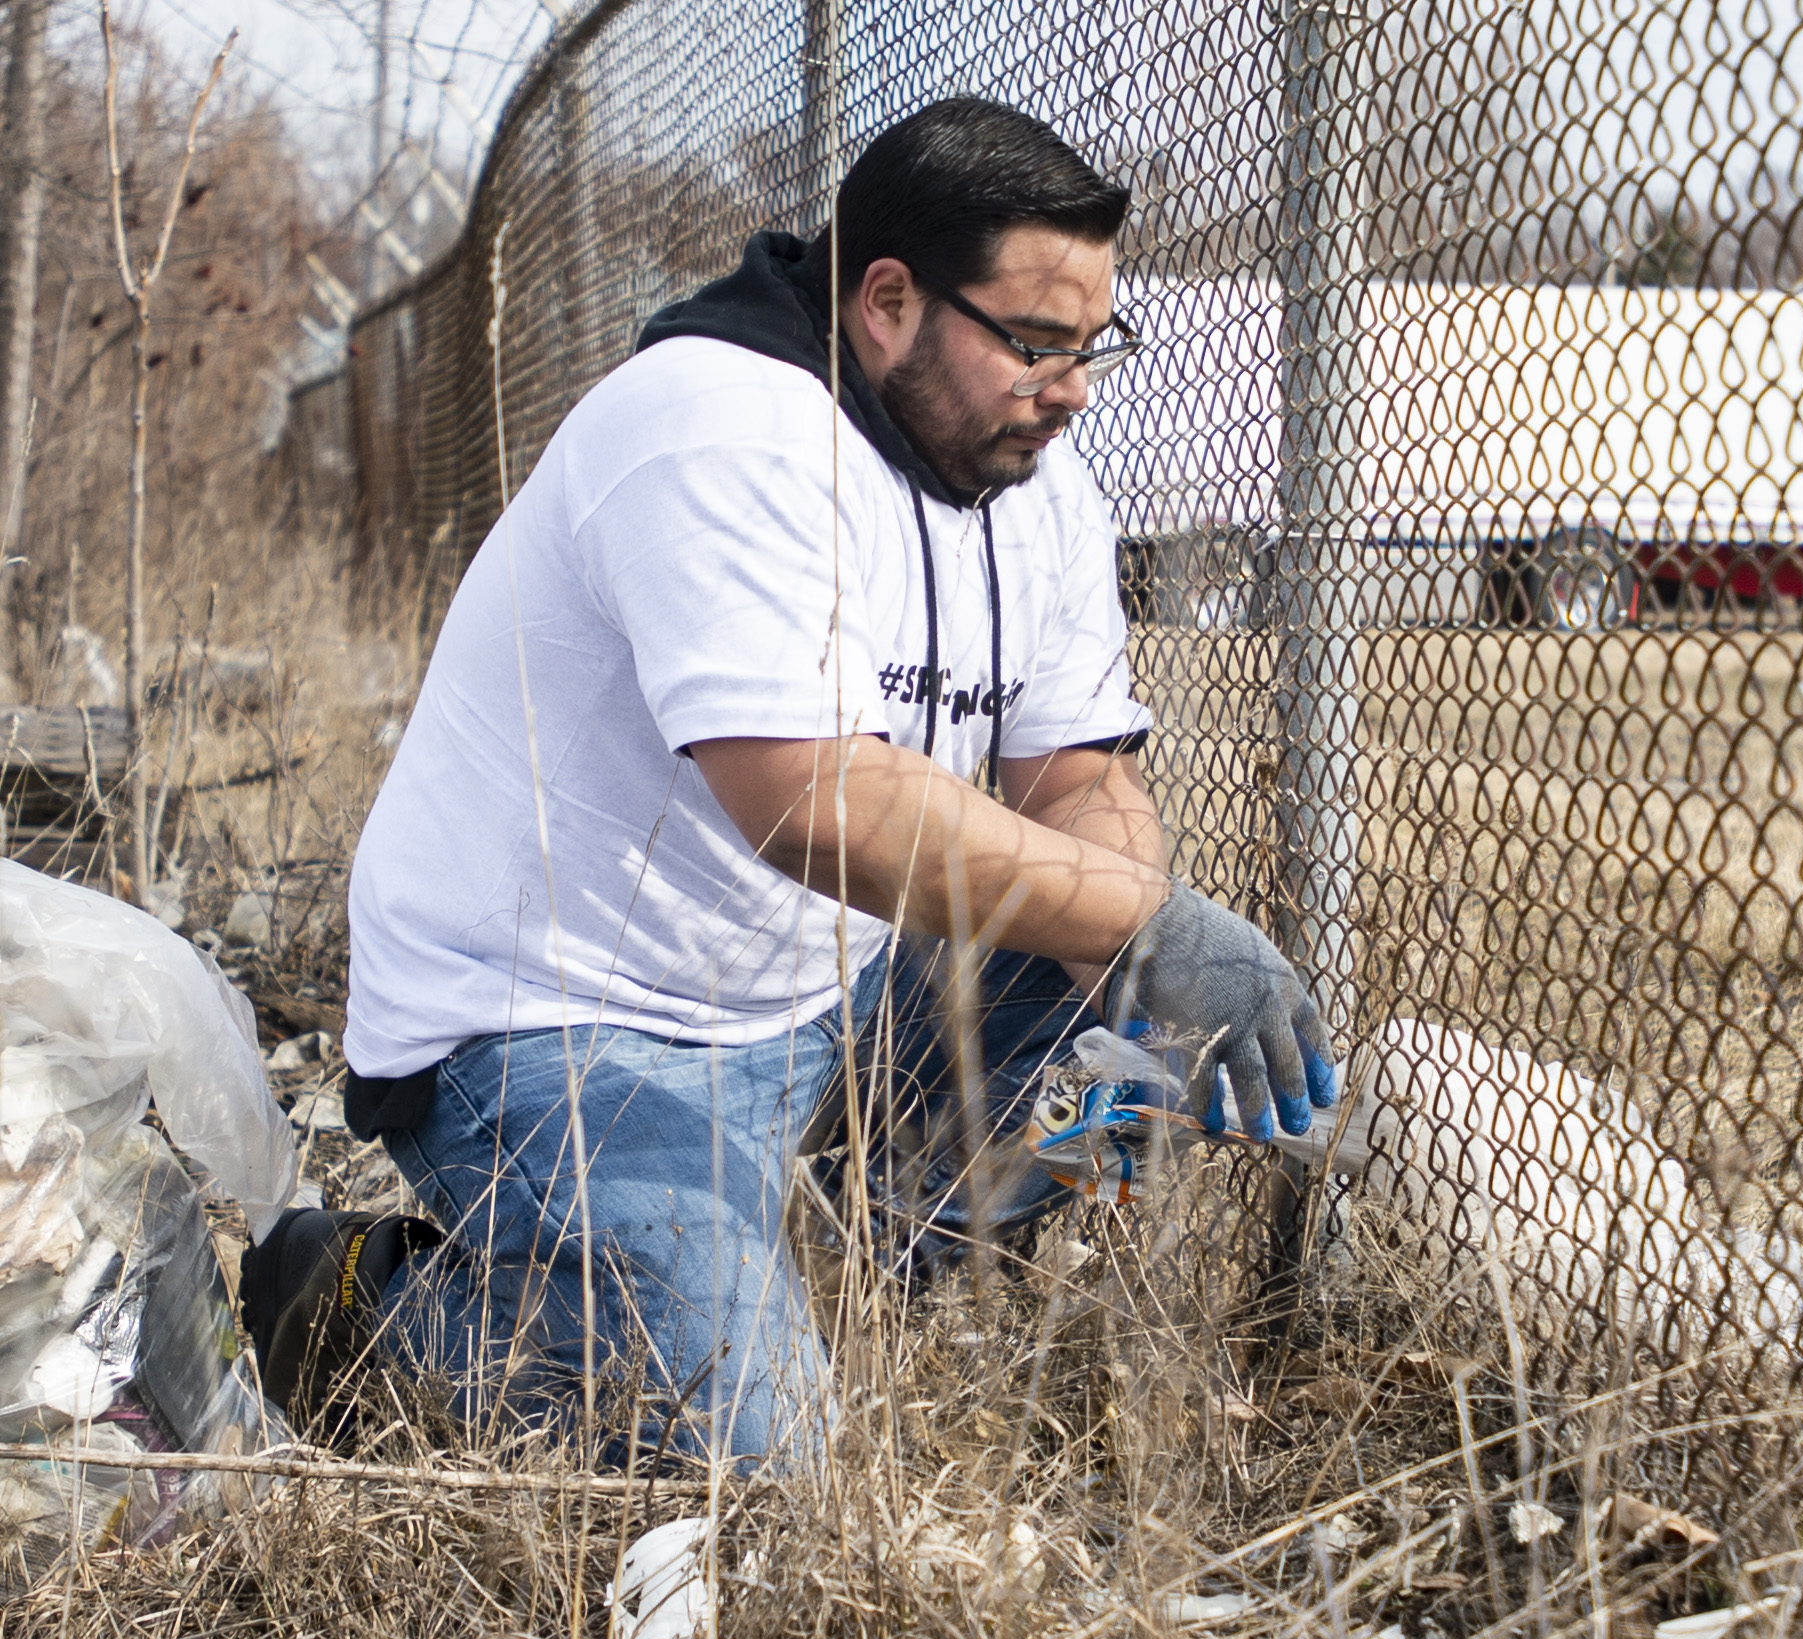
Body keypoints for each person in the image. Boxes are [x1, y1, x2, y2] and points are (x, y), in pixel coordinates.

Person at [240, 98, 1336, 1466]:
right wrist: (1143, 919)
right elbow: (808, 797)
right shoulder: (719, 425)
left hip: (821, 1004)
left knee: (1139, 1016)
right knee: (760, 1459)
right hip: (556, 1024)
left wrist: (1140, 929)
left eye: (1094, 343)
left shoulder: (1035, 483)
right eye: (1037, 344)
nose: (1075, 389)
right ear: (887, 301)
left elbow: (1076, 769)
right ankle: (376, 1312)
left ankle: (854, 1267)